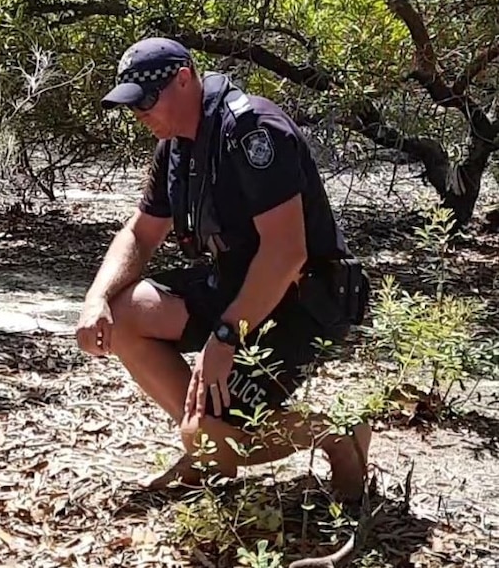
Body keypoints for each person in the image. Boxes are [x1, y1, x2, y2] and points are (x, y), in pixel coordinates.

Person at [75, 37, 372, 501]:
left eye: (147, 101)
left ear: (185, 78)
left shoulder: (253, 131)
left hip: (301, 298)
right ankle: (209, 445)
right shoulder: (175, 147)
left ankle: (338, 433)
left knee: (217, 439)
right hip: (239, 284)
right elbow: (140, 232)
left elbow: (285, 252)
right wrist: (95, 300)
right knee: (124, 312)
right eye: (133, 105)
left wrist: (226, 337)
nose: (140, 113)